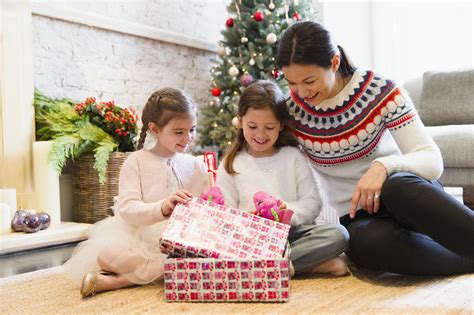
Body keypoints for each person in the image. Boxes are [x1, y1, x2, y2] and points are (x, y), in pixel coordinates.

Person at [276, 21, 474, 275]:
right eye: (291, 83)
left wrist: (384, 166)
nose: (300, 92)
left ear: (334, 63)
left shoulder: (380, 91)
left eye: (309, 80)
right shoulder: (291, 112)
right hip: (359, 216)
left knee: (397, 186)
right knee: (365, 247)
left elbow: (432, 161)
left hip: (404, 195)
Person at [63, 88, 209, 297]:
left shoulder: (196, 165)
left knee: (194, 257)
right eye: (179, 132)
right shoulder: (137, 161)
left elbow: (206, 207)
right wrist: (162, 207)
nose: (188, 138)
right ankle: (164, 271)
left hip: (184, 242)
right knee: (106, 255)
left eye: (192, 129)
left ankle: (118, 281)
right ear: (154, 129)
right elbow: (128, 208)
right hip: (143, 238)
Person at [216, 80, 350, 276]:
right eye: (252, 126)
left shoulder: (292, 156)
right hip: (251, 239)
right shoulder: (232, 162)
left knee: (339, 234)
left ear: (280, 126)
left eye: (269, 127)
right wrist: (250, 221)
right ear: (240, 121)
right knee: (226, 247)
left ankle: (268, 266)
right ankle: (304, 264)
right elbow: (224, 214)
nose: (260, 135)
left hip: (291, 235)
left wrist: (287, 213)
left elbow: (312, 203)